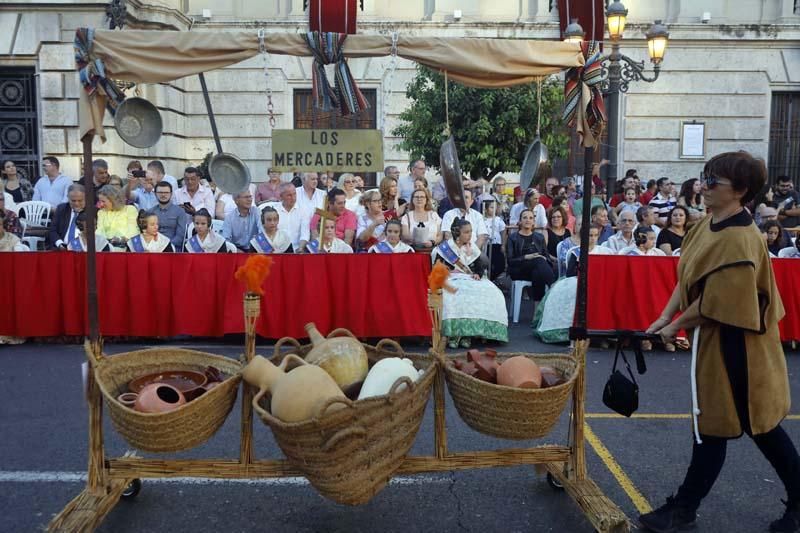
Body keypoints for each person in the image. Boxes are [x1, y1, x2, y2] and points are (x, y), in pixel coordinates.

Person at [640, 151, 800, 533]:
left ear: (741, 191)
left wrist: (673, 325)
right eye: (704, 177)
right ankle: (685, 509)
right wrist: (665, 317)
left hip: (742, 347)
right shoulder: (706, 225)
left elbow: (715, 303)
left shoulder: (741, 240)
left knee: (744, 426)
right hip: (718, 341)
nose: (703, 186)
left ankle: (683, 510)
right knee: (724, 427)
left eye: (714, 181)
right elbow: (688, 279)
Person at [431, 218, 508, 348]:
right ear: (457, 234)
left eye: (471, 231)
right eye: (466, 232)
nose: (470, 235)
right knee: (454, 294)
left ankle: (475, 334)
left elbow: (481, 264)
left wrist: (478, 273)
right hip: (450, 279)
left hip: (470, 278)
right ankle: (455, 334)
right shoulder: (444, 249)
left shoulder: (472, 247)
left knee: (493, 292)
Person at [507, 209, 557, 303]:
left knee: (537, 272)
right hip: (518, 269)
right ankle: (553, 286)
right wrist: (526, 257)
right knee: (538, 261)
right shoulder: (512, 237)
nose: (528, 220)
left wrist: (544, 258)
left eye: (531, 218)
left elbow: (547, 257)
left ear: (534, 221)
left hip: (537, 269)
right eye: (525, 218)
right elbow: (510, 261)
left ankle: (536, 308)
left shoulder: (539, 237)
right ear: (520, 221)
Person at [147, 181, 189, 251]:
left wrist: (166, 246)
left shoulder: (179, 212)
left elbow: (181, 236)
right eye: (160, 192)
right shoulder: (150, 212)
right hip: (153, 248)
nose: (163, 195)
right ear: (155, 194)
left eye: (166, 192)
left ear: (171, 194)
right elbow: (147, 233)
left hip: (173, 249)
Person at [96, 184, 138, 249]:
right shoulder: (101, 212)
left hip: (126, 247)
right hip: (106, 248)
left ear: (113, 200)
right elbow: (99, 231)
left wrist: (121, 239)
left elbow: (133, 231)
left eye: (103, 201)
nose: (101, 204)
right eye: (100, 201)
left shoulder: (130, 209)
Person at [275, 183, 310, 252]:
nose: (293, 198)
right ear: (281, 196)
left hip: (296, 250)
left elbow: (305, 234)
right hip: (278, 251)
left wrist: (300, 248)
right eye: (289, 195)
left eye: (294, 194)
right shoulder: (275, 210)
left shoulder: (303, 210)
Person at [49, 184, 86, 250]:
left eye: (80, 200)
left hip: (84, 250)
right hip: (62, 249)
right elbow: (52, 230)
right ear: (68, 198)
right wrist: (60, 244)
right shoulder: (61, 209)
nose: (76, 204)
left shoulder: (91, 211)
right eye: (73, 201)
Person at [483, 200, 507, 280]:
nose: (494, 209)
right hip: (486, 245)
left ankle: (492, 279)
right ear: (486, 209)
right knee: (486, 264)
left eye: (495, 208)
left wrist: (503, 245)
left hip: (496, 244)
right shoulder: (482, 219)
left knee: (500, 265)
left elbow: (503, 231)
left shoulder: (498, 219)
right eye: (491, 207)